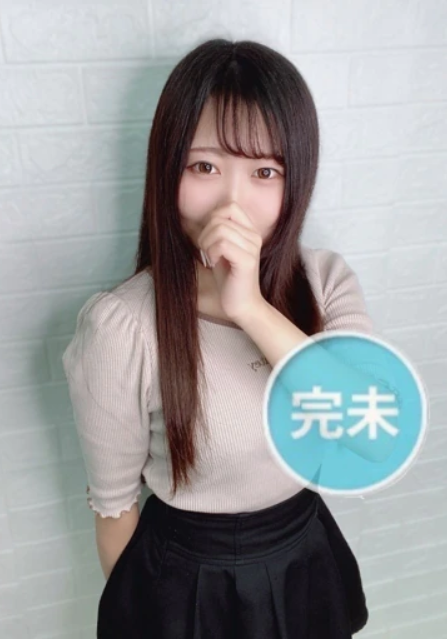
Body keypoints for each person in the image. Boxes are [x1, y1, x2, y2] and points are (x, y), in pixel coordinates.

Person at [62, 38, 374, 639]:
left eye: (265, 172)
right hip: (185, 584)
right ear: (168, 169)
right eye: (204, 167)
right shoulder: (120, 326)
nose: (233, 202)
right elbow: (115, 507)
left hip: (303, 555)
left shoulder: (325, 281)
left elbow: (363, 434)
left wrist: (250, 307)